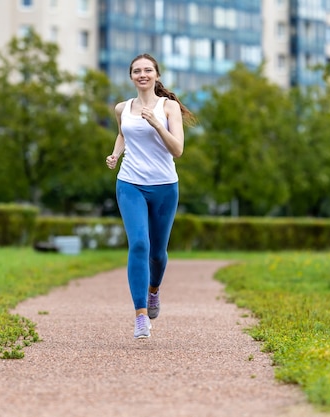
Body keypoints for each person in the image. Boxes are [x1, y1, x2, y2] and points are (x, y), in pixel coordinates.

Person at [105, 53, 197, 339]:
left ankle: (154, 290)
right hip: (130, 183)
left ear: (156, 75)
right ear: (131, 76)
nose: (142, 74)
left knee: (158, 253)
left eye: (147, 70)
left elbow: (177, 150)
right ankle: (140, 315)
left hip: (164, 186)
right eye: (136, 71)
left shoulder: (168, 107)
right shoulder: (123, 107)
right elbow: (124, 134)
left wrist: (157, 124)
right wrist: (115, 154)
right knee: (140, 245)